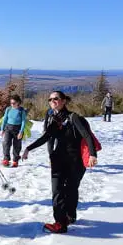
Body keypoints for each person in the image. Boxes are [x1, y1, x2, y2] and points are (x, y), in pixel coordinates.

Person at [22, 91, 98, 234]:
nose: (52, 101)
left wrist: (92, 155)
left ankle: (70, 216)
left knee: (71, 190)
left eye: (56, 99)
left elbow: (87, 136)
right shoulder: (52, 118)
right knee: (57, 191)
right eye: (50, 99)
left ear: (63, 101)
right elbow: (46, 137)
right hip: (58, 159)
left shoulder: (73, 117)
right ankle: (60, 223)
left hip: (76, 161)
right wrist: (28, 148)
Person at [0, 94, 27, 167]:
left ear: (18, 102)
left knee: (16, 145)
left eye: (14, 103)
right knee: (6, 143)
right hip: (8, 128)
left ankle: (15, 160)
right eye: (11, 103)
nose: (12, 104)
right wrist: (2, 129)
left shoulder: (21, 110)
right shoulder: (8, 109)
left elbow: (23, 122)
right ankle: (6, 159)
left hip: (18, 129)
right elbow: (5, 119)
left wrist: (21, 132)